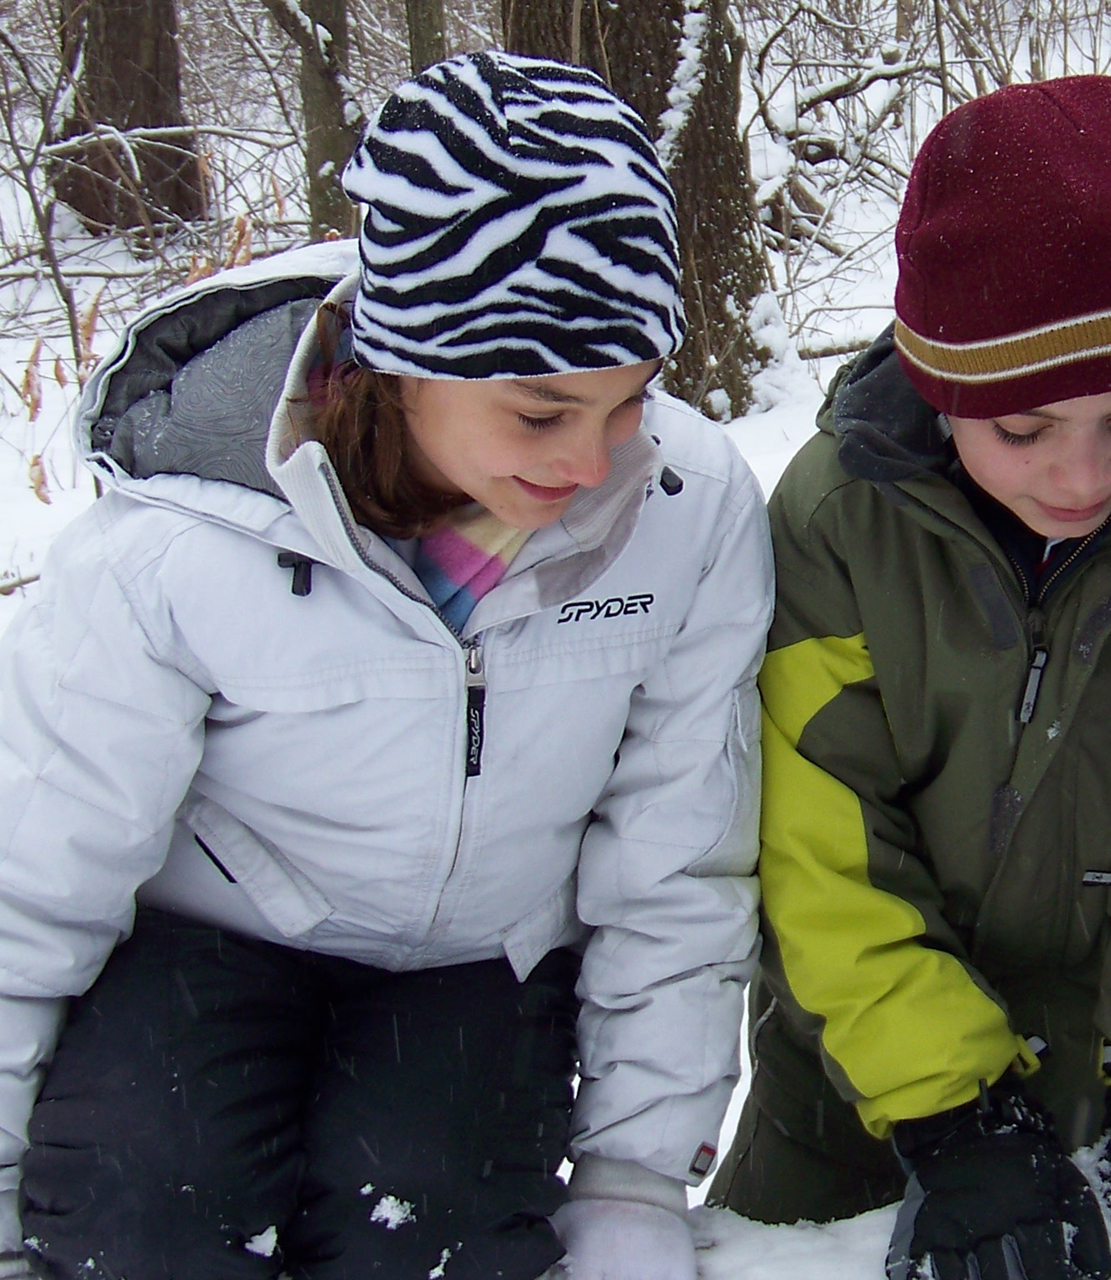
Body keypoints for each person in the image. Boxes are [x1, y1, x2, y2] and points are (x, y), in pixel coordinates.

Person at [0, 52, 770, 1280]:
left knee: (431, 1239)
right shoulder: (192, 525)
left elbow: (677, 849)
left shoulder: (688, 504)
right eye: (540, 411)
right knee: (144, 1226)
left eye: (630, 401)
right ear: (405, 355)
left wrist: (633, 1181)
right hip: (209, 944)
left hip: (479, 959)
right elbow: (39, 856)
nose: (595, 457)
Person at [702, 75, 1111, 1280]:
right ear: (941, 385)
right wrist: (948, 1109)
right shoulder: (839, 518)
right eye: (1022, 429)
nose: (1079, 473)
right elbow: (821, 843)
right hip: (854, 1060)